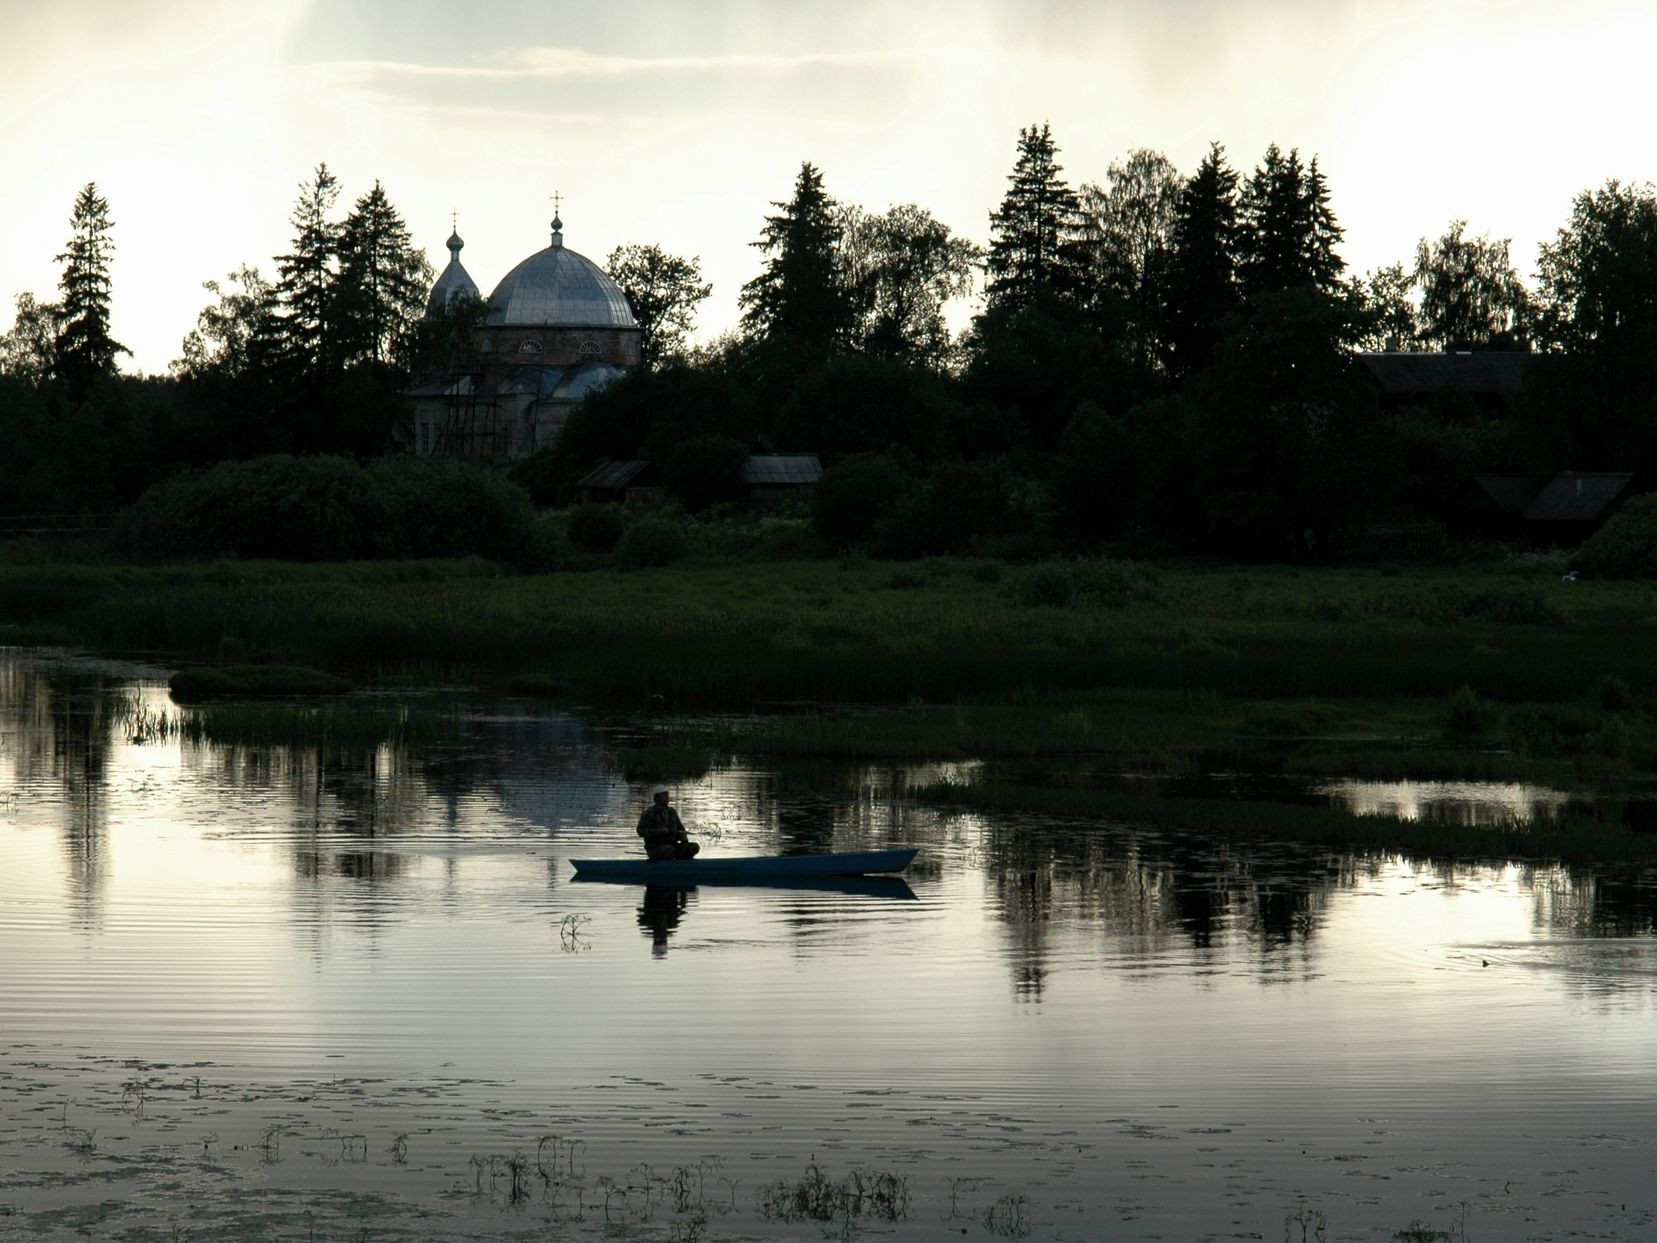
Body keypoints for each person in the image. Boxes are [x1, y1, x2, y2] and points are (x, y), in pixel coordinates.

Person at [636, 784, 700, 861]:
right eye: (663, 795)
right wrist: (658, 831)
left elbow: (681, 829)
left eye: (667, 795)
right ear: (657, 797)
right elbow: (640, 831)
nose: (667, 797)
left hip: (673, 846)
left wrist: (683, 838)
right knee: (671, 850)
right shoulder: (649, 813)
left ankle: (683, 865)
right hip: (656, 848)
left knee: (694, 847)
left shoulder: (672, 812)